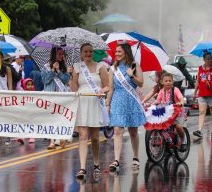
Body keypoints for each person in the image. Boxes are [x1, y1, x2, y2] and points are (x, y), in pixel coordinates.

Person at [70, 43, 110, 180]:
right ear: (81, 53)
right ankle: (82, 168)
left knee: (94, 137)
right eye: (85, 52)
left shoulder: (101, 67)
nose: (88, 54)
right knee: (82, 136)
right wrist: (71, 75)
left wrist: (101, 91)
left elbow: (107, 86)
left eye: (90, 51)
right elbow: (74, 88)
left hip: (95, 102)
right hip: (82, 103)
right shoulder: (77, 67)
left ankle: (96, 162)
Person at [106, 43, 145, 173]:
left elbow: (141, 83)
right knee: (117, 130)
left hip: (131, 100)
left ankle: (135, 157)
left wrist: (132, 75)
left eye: (119, 51)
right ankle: (116, 160)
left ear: (126, 52)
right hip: (117, 100)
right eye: (116, 52)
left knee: (133, 131)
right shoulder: (113, 69)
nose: (116, 54)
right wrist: (107, 104)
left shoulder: (134, 65)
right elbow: (111, 88)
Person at [41, 47, 71, 150]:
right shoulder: (45, 67)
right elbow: (45, 81)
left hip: (61, 94)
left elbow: (66, 80)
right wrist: (52, 70)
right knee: (50, 118)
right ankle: (52, 141)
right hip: (50, 94)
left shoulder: (64, 67)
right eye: (59, 54)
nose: (60, 56)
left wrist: (58, 71)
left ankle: (62, 136)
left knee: (60, 117)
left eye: (62, 54)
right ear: (54, 54)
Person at [192, 51, 212, 140]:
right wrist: (195, 92)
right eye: (208, 59)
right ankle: (199, 130)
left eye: (211, 58)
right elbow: (198, 80)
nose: (210, 60)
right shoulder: (200, 68)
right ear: (204, 59)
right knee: (202, 112)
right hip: (202, 93)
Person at [154, 72, 187, 151]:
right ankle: (167, 140)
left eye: (170, 80)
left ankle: (184, 140)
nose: (168, 82)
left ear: (173, 82)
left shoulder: (175, 90)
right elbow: (157, 101)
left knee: (178, 126)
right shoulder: (161, 91)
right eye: (166, 81)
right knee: (160, 124)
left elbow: (181, 98)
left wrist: (181, 102)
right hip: (166, 112)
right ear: (162, 82)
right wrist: (153, 104)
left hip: (177, 112)